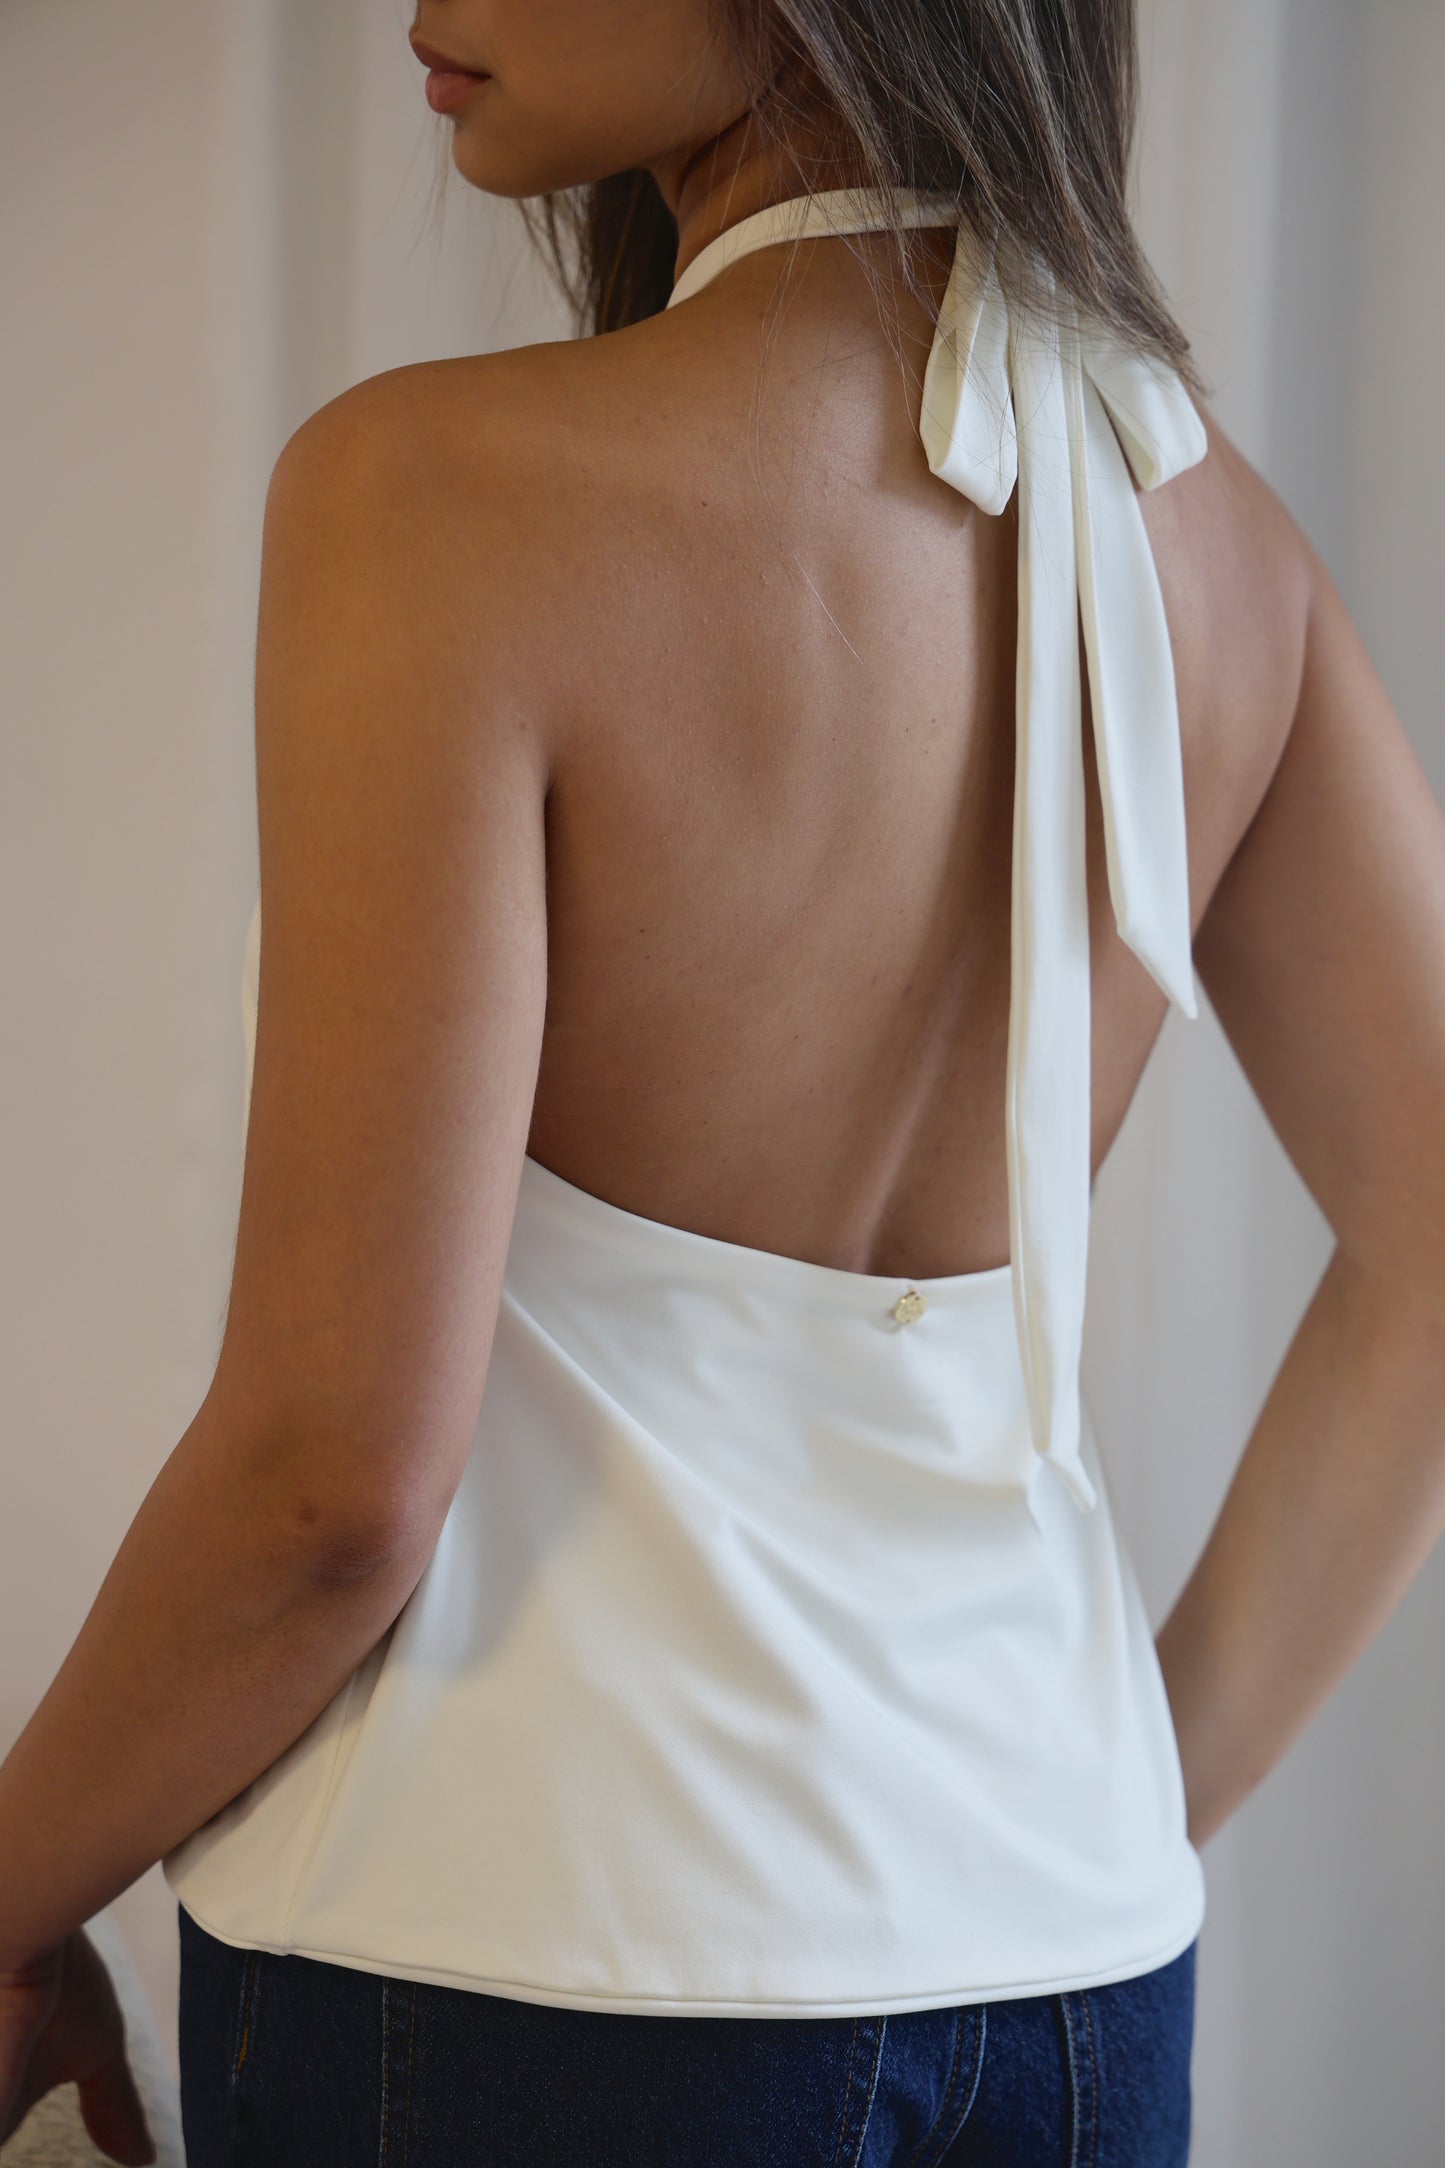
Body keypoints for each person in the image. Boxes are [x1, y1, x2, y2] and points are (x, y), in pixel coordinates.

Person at [3, 1, 1444, 2162]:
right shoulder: (1218, 537)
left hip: (520, 1977)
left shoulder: (437, 495)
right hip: (1069, 1984)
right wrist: (1112, 1793)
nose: (427, 7)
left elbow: (331, 1485)